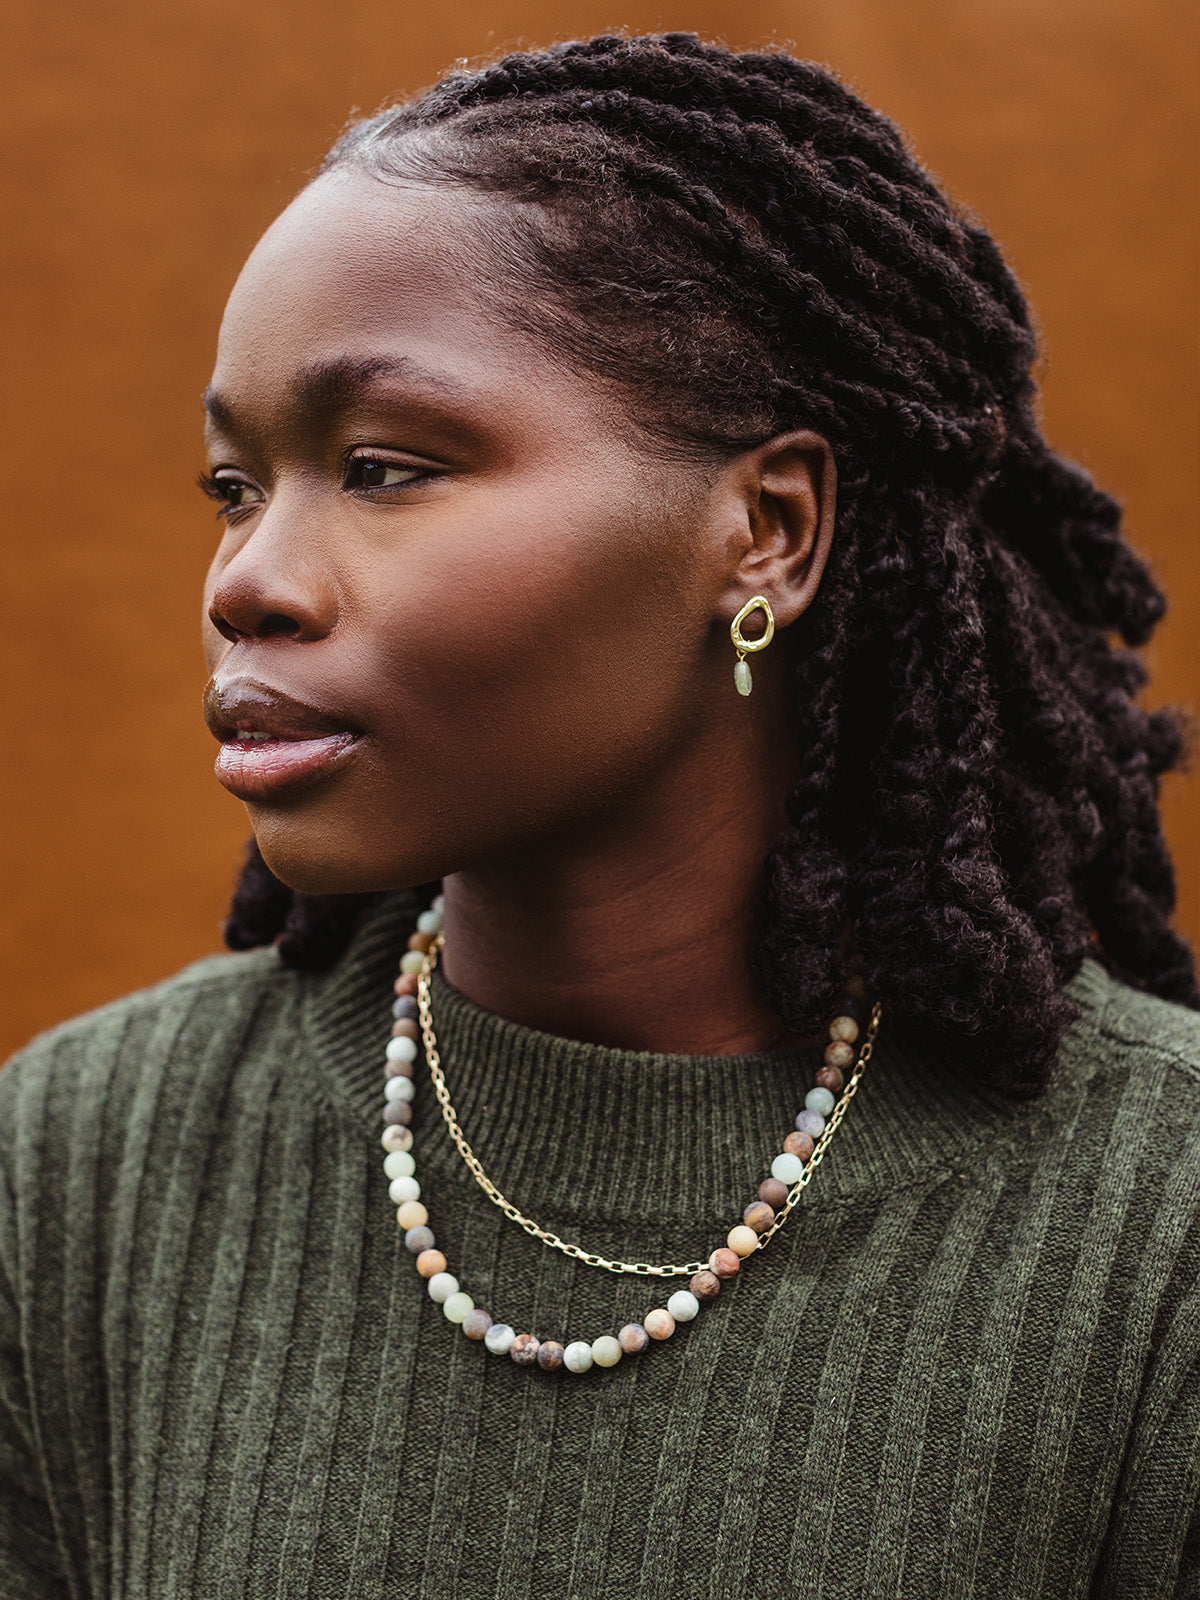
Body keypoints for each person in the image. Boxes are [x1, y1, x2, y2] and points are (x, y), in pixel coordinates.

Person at [1, 31, 1196, 1599]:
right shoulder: (83, 1167)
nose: (249, 581)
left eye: (381, 469)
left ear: (764, 530)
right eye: (238, 486)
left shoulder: (1157, 1236)